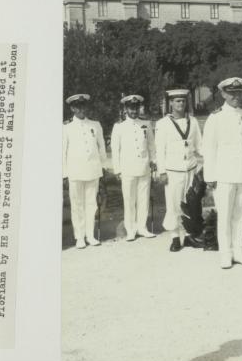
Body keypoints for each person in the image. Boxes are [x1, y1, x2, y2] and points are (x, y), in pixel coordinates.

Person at [202, 77, 242, 269]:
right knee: (225, 215)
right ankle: (225, 254)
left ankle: (239, 251)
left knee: (241, 215)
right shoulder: (215, 118)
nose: (235, 96)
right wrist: (210, 177)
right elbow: (209, 149)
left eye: (238, 92)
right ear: (223, 94)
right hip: (223, 174)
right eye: (231, 93)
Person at [155, 89, 203, 252]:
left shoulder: (194, 121)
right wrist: (162, 172)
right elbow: (160, 150)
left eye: (183, 101)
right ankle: (175, 237)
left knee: (191, 203)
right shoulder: (162, 124)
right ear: (170, 104)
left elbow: (199, 146)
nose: (180, 104)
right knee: (174, 205)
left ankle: (189, 236)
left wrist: (206, 163)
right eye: (177, 101)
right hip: (173, 171)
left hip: (191, 168)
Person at [62, 94, 107, 249]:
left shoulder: (95, 125)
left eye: (83, 106)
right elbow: (62, 152)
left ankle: (90, 235)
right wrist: (64, 174)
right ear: (72, 108)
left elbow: (102, 148)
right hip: (75, 172)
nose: (81, 109)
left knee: (91, 204)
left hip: (93, 170)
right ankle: (79, 237)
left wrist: (103, 168)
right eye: (78, 106)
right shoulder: (66, 127)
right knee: (77, 205)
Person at [111, 95, 157, 241]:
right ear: (125, 109)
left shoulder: (146, 124)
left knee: (143, 199)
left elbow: (151, 145)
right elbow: (115, 149)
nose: (134, 110)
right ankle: (130, 229)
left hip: (144, 167)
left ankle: (142, 227)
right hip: (127, 169)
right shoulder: (119, 126)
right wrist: (117, 169)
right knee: (129, 200)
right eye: (131, 108)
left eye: (136, 107)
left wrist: (153, 161)